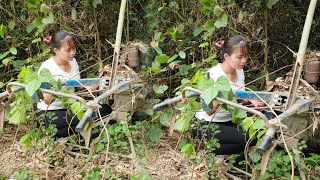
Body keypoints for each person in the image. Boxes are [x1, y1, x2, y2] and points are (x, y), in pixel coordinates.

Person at [194, 35, 264, 155]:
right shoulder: (212, 75)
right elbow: (207, 111)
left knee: (258, 136)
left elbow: (239, 97)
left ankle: (219, 151)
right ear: (226, 56)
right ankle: (207, 150)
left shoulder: (240, 71)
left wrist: (250, 100)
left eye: (246, 56)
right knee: (247, 139)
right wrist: (221, 97)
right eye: (239, 57)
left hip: (228, 121)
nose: (244, 61)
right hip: (207, 123)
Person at [37, 30, 98, 138]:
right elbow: (47, 100)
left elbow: (76, 84)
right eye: (68, 50)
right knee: (89, 116)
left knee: (104, 109)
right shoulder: (47, 68)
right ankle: (60, 133)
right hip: (50, 112)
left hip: (70, 108)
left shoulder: (73, 62)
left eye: (74, 48)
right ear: (56, 50)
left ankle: (65, 133)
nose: (73, 53)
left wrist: (87, 87)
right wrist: (59, 89)